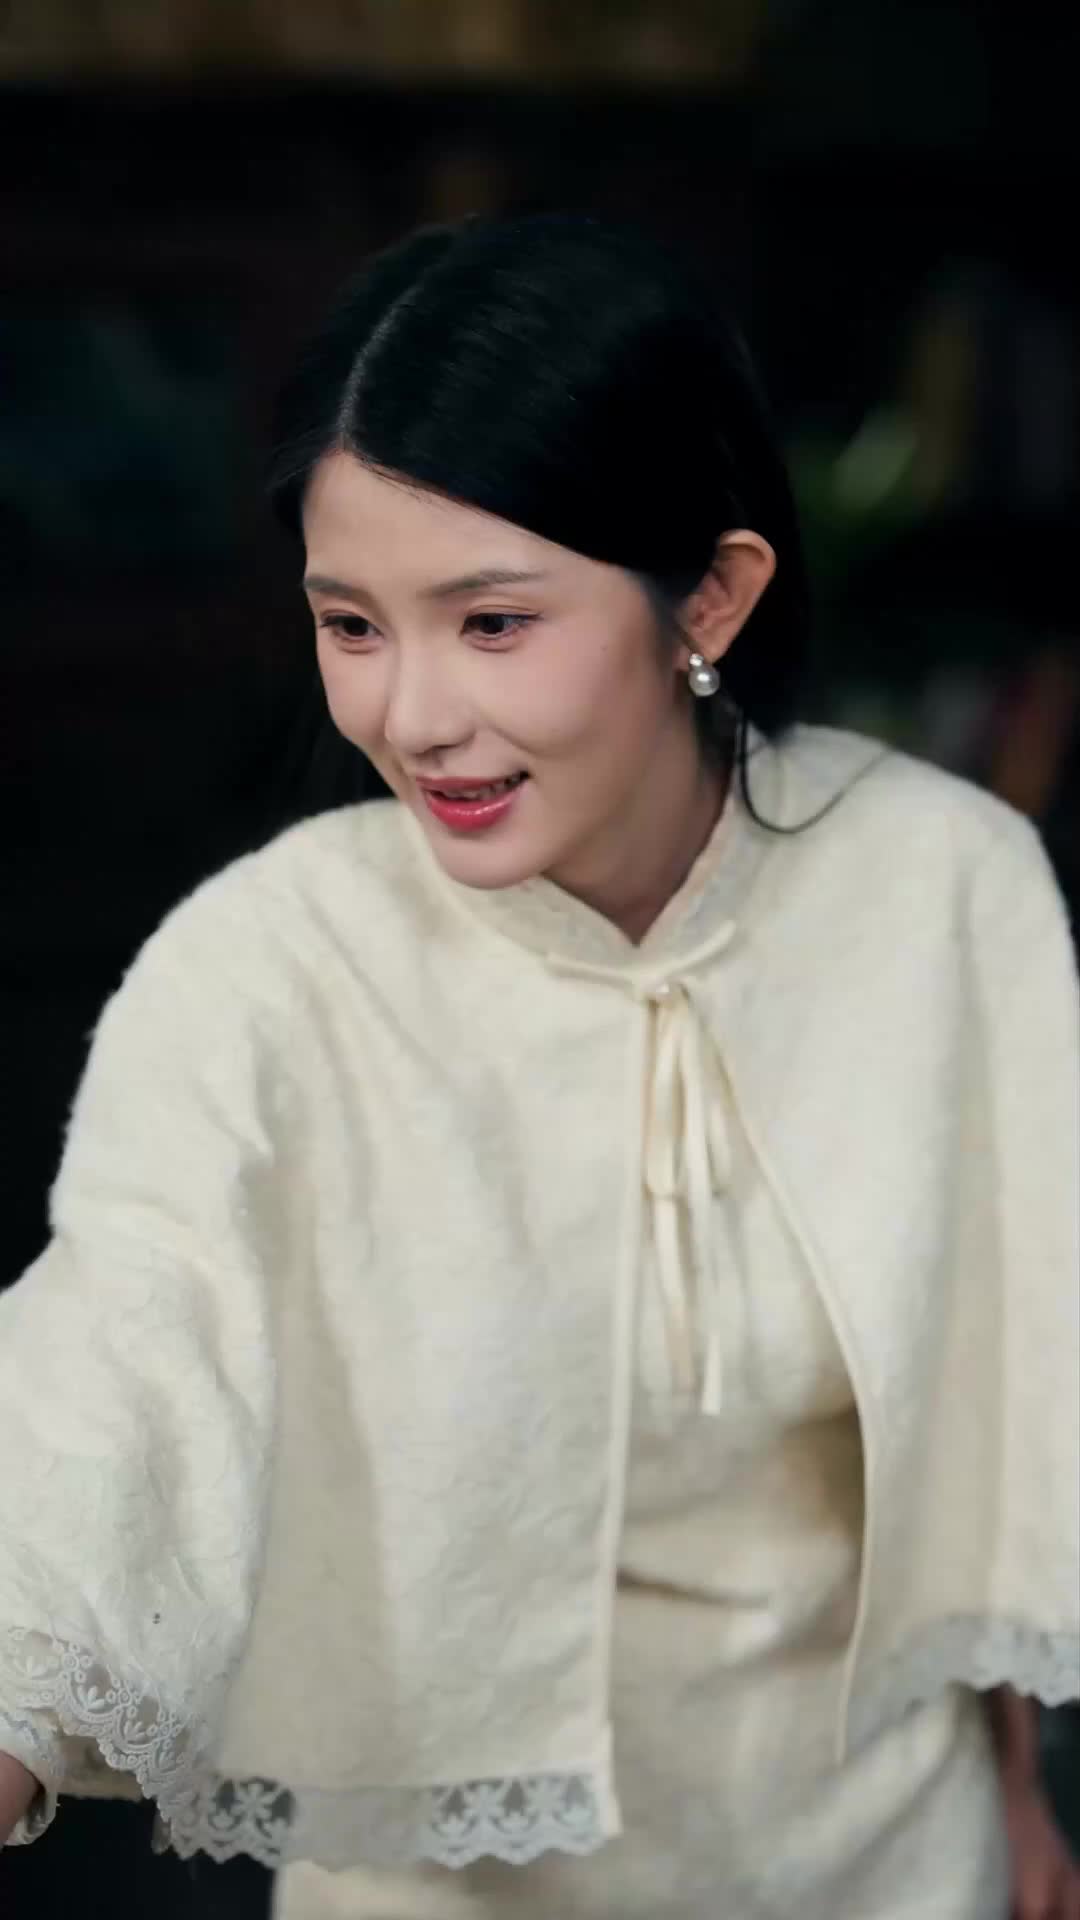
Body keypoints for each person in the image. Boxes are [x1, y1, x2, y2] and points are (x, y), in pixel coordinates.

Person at [1, 212, 1078, 1920]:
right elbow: (120, 1348)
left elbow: (1002, 1401)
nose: (412, 715)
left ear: (710, 594)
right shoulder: (271, 957)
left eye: (491, 623)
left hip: (885, 1865)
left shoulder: (946, 888)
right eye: (352, 625)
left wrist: (1020, 1795)